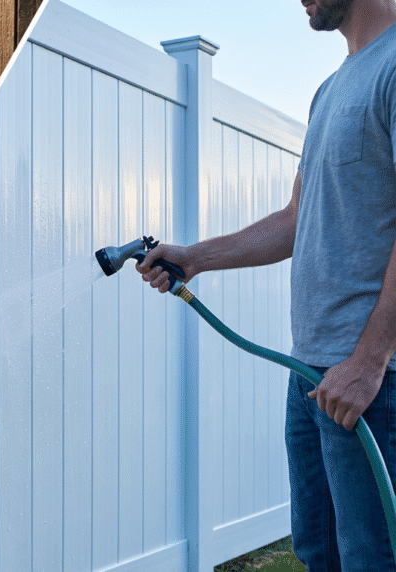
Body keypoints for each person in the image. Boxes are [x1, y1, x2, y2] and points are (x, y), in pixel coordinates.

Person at [138, 0, 396, 569]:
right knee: (318, 551)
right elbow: (296, 219)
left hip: (369, 383)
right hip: (312, 373)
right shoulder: (330, 90)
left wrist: (369, 361)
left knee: (370, 558)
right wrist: (196, 258)